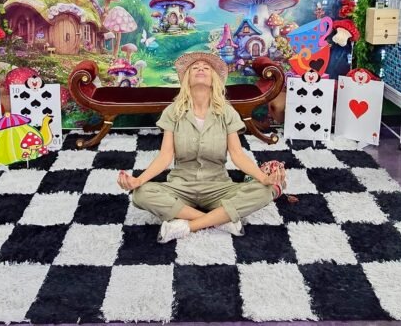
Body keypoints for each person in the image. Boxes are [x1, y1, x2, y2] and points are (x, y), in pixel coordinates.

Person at [117, 51, 286, 243]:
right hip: (181, 185)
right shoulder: (172, 112)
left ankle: (188, 225)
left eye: (206, 68)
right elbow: (165, 156)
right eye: (195, 68)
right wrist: (139, 180)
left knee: (266, 190)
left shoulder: (227, 112)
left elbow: (238, 155)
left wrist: (264, 178)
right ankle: (220, 220)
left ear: (214, 79)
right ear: (187, 79)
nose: (200, 69)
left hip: (218, 186)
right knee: (140, 195)